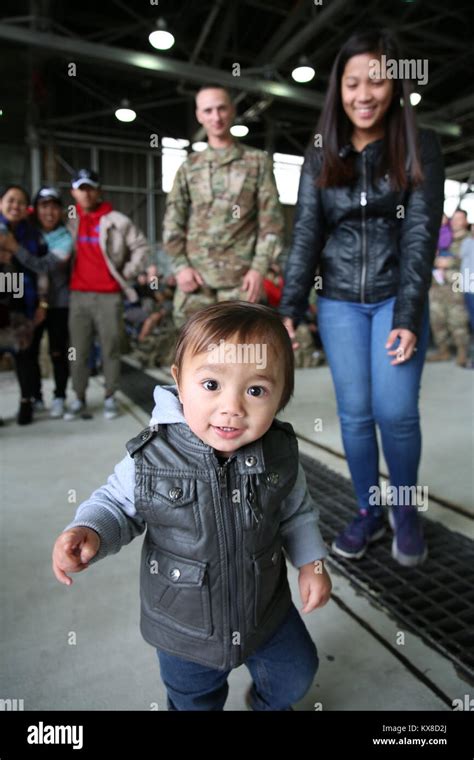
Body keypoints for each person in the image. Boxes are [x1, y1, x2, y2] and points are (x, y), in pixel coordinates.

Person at [52, 302, 332, 711]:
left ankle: (268, 704)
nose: (232, 407)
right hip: (183, 625)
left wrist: (312, 563)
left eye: (256, 390)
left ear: (281, 396)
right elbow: (116, 503)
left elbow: (297, 512)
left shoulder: (279, 453)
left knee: (297, 673)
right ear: (179, 382)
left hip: (266, 610)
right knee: (194, 702)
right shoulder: (152, 456)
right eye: (212, 385)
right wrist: (90, 530)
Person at [279, 28, 444, 566]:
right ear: (339, 88)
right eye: (353, 83)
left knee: (395, 411)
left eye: (377, 80)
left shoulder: (420, 146)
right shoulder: (323, 151)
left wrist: (408, 314)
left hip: (399, 295)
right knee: (354, 414)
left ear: (396, 85)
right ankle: (368, 509)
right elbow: (306, 231)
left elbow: (420, 234)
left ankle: (404, 507)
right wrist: (289, 306)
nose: (364, 94)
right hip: (341, 300)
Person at [162, 84, 285, 328]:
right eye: (208, 111)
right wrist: (180, 267)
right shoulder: (189, 167)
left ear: (232, 111)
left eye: (221, 109)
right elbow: (172, 221)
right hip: (196, 283)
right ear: (199, 115)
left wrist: (259, 269)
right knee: (192, 354)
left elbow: (271, 223)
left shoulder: (257, 162)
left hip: (241, 282)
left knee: (241, 354)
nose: (215, 117)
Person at [65, 169, 149, 420]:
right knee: (78, 350)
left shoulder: (116, 220)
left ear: (99, 190)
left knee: (111, 348)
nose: (86, 193)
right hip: (78, 295)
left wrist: (124, 273)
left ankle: (111, 396)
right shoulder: (69, 219)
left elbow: (141, 247)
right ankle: (78, 397)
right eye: (81, 188)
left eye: (90, 187)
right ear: (73, 192)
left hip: (109, 296)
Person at [0, 186, 73, 418]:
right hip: (15, 301)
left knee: (52, 352)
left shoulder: (38, 236)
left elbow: (39, 269)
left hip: (44, 304)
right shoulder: (23, 230)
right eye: (44, 206)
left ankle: (51, 397)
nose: (49, 211)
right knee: (27, 353)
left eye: (54, 206)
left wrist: (14, 249)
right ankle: (35, 396)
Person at [0, 185, 48, 425]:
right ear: (1, 202)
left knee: (25, 356)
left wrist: (42, 303)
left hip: (21, 304)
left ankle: (26, 402)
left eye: (20, 202)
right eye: (10, 200)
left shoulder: (31, 235)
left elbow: (40, 270)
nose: (15, 206)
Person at [427, 208, 470, 366]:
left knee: (458, 319)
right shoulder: (444, 236)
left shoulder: (468, 239)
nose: (456, 221)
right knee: (437, 319)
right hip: (437, 286)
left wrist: (450, 262)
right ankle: (443, 351)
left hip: (455, 285)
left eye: (460, 218)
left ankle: (462, 353)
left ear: (465, 221)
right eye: (455, 218)